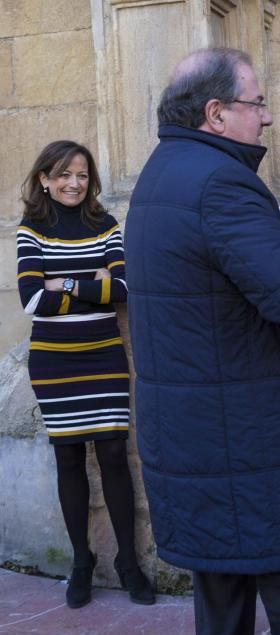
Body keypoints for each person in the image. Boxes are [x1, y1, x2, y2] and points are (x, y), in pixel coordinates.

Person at [125, 48, 280, 635]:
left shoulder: (160, 172)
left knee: (223, 615)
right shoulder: (222, 182)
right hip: (256, 452)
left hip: (199, 447)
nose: (269, 118)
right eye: (256, 104)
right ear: (215, 112)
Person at [16, 140, 155, 610]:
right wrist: (92, 283)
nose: (74, 183)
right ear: (44, 180)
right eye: (64, 175)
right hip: (55, 363)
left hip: (103, 358)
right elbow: (32, 300)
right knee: (69, 457)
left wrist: (67, 284)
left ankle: (129, 564)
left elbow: (123, 288)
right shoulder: (30, 229)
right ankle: (81, 560)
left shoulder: (106, 225)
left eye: (81, 175)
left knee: (114, 453)